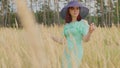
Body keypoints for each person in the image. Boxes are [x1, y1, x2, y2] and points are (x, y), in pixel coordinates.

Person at [52, 0, 95, 68]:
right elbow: (64, 41)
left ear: (79, 10)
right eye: (72, 8)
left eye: (77, 8)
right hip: (66, 52)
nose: (75, 10)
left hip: (76, 52)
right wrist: (53, 38)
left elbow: (85, 39)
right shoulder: (67, 25)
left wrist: (90, 32)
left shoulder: (82, 23)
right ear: (69, 10)